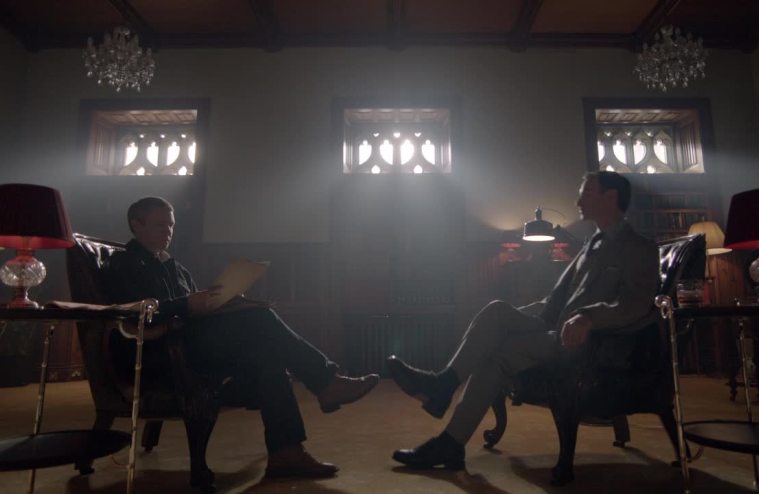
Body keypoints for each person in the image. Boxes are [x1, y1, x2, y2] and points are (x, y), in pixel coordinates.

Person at [387, 171, 659, 470]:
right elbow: (557, 302)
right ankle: (443, 386)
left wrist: (589, 317)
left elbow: (635, 304)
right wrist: (519, 316)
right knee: (496, 311)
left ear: (610, 197)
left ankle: (448, 437)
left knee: (498, 355)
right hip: (554, 324)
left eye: (587, 193)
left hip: (590, 341)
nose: (578, 201)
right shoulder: (590, 244)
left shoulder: (639, 247)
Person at [106, 197, 379, 480]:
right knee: (260, 318)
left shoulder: (175, 267)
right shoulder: (124, 263)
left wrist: (224, 303)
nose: (168, 231)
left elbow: (195, 312)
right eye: (159, 225)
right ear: (136, 225)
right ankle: (326, 382)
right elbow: (132, 315)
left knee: (267, 355)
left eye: (171, 225)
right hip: (159, 353)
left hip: (189, 345)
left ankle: (286, 453)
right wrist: (186, 304)